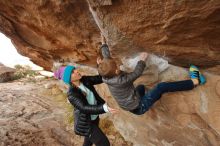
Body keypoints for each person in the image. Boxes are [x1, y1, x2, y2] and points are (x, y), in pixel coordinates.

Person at [97, 41, 206, 115]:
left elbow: (107, 59)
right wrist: (142, 60)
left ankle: (153, 97)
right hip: (139, 107)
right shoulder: (122, 81)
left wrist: (103, 45)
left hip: (129, 104)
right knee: (161, 87)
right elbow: (137, 73)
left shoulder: (105, 76)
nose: (118, 65)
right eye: (117, 66)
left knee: (141, 87)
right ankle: (195, 82)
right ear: (116, 71)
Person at [54, 65, 117, 146]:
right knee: (104, 143)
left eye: (75, 69)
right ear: (69, 79)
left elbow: (100, 78)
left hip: (94, 118)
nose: (76, 71)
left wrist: (101, 66)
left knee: (88, 142)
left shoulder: (85, 80)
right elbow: (84, 108)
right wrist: (103, 108)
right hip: (85, 123)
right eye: (72, 72)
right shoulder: (72, 94)